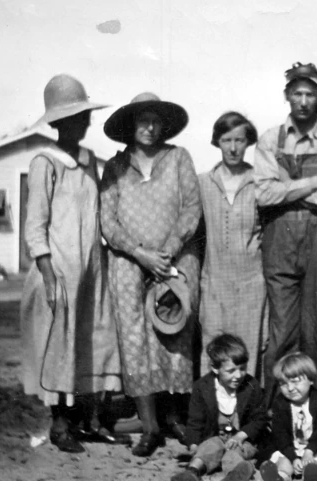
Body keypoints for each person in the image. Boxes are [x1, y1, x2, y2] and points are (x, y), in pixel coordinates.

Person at [21, 74, 126, 453]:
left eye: (84, 116)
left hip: (90, 267)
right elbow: (35, 226)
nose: (82, 123)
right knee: (58, 344)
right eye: (74, 117)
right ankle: (59, 422)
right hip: (59, 269)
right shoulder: (44, 162)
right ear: (58, 122)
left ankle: (87, 417)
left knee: (91, 340)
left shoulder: (88, 162)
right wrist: (49, 275)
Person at [100, 92, 202, 457]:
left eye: (155, 120)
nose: (149, 127)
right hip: (129, 263)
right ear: (130, 125)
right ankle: (150, 426)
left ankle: (175, 416)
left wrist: (168, 252)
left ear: (164, 125)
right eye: (142, 120)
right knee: (135, 340)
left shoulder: (178, 159)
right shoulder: (114, 167)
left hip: (175, 260)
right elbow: (107, 222)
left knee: (174, 333)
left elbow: (191, 208)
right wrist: (141, 254)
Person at [253, 62, 317, 400]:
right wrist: (314, 181)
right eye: (297, 93)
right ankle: (272, 411)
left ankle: (315, 412)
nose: (303, 100)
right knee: (281, 333)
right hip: (279, 240)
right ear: (287, 95)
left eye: (310, 93)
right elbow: (263, 194)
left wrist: (288, 185)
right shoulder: (270, 139)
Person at [198, 112, 267, 379]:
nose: (234, 147)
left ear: (248, 142)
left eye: (240, 140)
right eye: (227, 140)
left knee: (247, 352)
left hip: (251, 283)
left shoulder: (259, 182)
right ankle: (212, 416)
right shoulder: (203, 182)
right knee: (212, 350)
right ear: (217, 142)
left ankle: (246, 418)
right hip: (214, 282)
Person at [172, 334, 268, 481]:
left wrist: (240, 436)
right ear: (215, 368)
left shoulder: (251, 386)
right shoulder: (202, 387)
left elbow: (259, 419)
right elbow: (195, 421)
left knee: (234, 454)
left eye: (242, 369)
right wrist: (193, 445)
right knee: (210, 447)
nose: (238, 375)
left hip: (243, 440)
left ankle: (235, 475)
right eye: (231, 371)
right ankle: (191, 472)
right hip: (214, 437)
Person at [259, 352, 317, 481]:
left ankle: (310, 476)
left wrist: (309, 451)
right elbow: (280, 435)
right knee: (284, 463)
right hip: (289, 448)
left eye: (295, 382)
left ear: (311, 380)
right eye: (283, 383)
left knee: (312, 463)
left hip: (314, 448)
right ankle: (281, 477)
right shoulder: (280, 403)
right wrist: (293, 458)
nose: (290, 388)